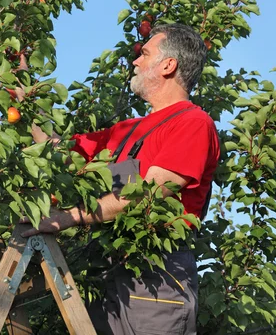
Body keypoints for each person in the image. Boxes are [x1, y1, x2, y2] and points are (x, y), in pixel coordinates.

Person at [20, 23, 220, 335]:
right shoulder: (127, 130)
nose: (135, 60)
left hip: (157, 279)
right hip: (108, 275)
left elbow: (145, 195)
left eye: (145, 54)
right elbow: (57, 150)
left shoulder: (193, 123)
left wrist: (66, 218)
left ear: (168, 65)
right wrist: (26, 96)